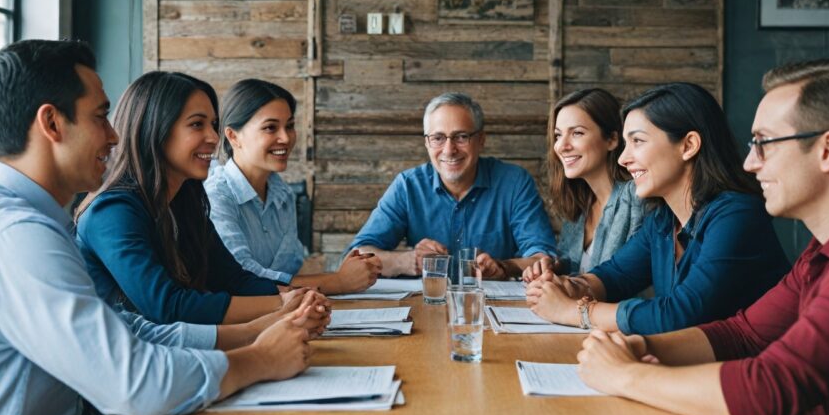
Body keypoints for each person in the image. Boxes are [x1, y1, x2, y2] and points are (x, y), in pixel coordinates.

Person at [0, 40, 320, 415]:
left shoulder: (38, 221)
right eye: (101, 116)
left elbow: (132, 330)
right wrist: (260, 359)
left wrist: (260, 332)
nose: (114, 135)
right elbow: (134, 380)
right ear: (52, 123)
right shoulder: (18, 234)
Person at [575, 61, 829, 415]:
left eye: (764, 144)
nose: (749, 163)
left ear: (828, 150)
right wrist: (645, 347)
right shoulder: (823, 248)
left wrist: (625, 377)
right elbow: (744, 333)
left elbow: (775, 386)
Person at [527, 82, 789, 334]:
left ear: (688, 145)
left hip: (745, 374)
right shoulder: (664, 220)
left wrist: (574, 311)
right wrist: (565, 286)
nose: (623, 158)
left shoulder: (737, 214)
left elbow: (679, 315)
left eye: (638, 141)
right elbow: (614, 276)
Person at [76, 71, 323, 325]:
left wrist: (296, 297)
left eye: (213, 125)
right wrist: (281, 304)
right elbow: (169, 306)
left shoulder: (184, 202)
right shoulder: (112, 211)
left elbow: (233, 279)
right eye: (197, 124)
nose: (215, 138)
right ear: (155, 129)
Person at [347, 92, 556, 278]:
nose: (449, 150)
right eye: (438, 138)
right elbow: (355, 257)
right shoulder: (408, 186)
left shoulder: (514, 183)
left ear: (481, 140)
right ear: (427, 143)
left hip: (491, 307)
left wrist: (503, 266)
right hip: (426, 305)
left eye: (461, 137)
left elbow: (544, 258)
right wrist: (410, 261)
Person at [206, 79, 382, 295]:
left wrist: (351, 269)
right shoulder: (215, 196)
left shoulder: (282, 194)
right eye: (270, 127)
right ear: (233, 136)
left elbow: (288, 269)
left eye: (289, 126)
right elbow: (243, 277)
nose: (286, 137)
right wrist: (338, 281)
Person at [521, 88, 643, 283]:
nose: (561, 146)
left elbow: (630, 281)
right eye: (558, 135)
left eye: (577, 133)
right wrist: (553, 268)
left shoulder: (635, 198)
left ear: (612, 139)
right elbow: (575, 265)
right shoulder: (580, 203)